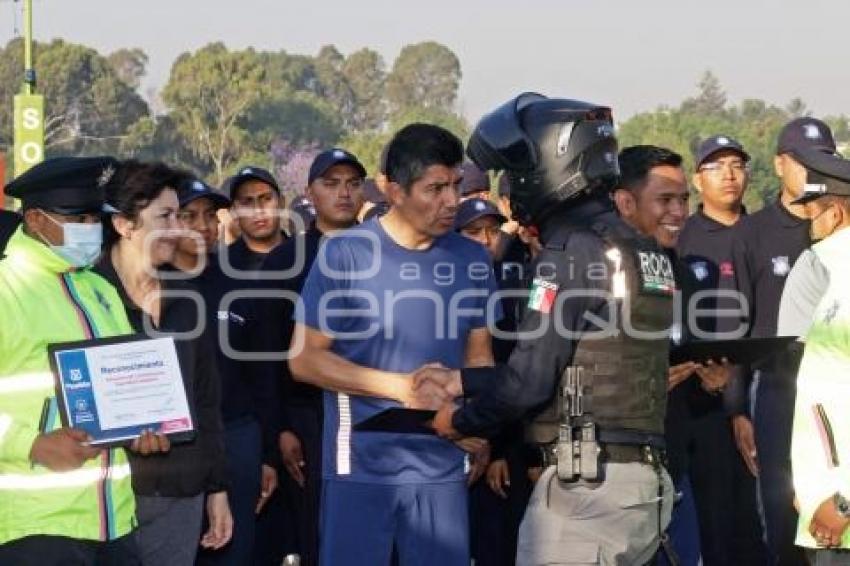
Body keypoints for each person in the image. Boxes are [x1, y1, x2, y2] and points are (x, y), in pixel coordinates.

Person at [419, 93, 677, 565]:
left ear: (554, 164)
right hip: (640, 485)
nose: (512, 187)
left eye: (517, 171)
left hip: (589, 493)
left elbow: (529, 382)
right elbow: (581, 357)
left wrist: (457, 422)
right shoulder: (639, 248)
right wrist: (462, 380)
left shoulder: (569, 251)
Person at [288, 124, 496, 566]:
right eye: (435, 188)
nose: (450, 201)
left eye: (455, 186)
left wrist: (479, 425)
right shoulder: (344, 254)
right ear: (394, 190)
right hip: (360, 466)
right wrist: (399, 388)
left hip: (443, 466)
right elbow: (304, 361)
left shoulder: (474, 260)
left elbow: (479, 357)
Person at [0, 156, 157, 565]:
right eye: (79, 218)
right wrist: (31, 444)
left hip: (115, 523)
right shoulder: (4, 289)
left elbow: (125, 385)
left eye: (94, 219)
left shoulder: (98, 288)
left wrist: (146, 424)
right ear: (35, 220)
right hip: (33, 528)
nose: (91, 230)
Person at [97, 161, 232, 566]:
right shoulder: (87, 293)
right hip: (108, 493)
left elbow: (207, 401)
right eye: (165, 216)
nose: (178, 227)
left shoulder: (189, 298)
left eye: (180, 214)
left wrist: (217, 489)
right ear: (124, 224)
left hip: (182, 492)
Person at [724, 118, 838, 566]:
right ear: (779, 164)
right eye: (802, 161)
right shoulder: (751, 233)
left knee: (832, 502)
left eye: (823, 159)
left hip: (833, 388)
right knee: (779, 509)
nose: (812, 170)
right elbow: (737, 322)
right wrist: (737, 408)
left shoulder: (838, 227)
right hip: (776, 386)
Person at [260, 147, 367, 566]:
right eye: (331, 183)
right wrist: (281, 429)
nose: (343, 193)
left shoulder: (386, 253)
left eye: (353, 184)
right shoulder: (286, 260)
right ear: (310, 193)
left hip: (372, 412)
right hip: (308, 416)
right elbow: (265, 354)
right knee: (317, 530)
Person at [169, 178, 280, 566]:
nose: (204, 226)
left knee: (235, 550)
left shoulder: (240, 284)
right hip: (174, 446)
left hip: (237, 435)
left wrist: (266, 454)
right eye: (189, 216)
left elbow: (262, 375)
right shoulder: (149, 287)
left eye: (210, 216)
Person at [675, 134, 766, 564]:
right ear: (698, 179)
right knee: (716, 524)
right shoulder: (683, 239)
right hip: (704, 398)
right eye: (716, 166)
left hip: (761, 390)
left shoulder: (764, 232)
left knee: (761, 520)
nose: (729, 176)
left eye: (736, 164)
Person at [785, 149, 850, 564]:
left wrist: (843, 500)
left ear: (838, 215)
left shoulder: (829, 267)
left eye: (814, 216)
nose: (809, 229)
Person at [223, 166, 286, 272]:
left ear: (282, 202)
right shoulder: (221, 268)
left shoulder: (307, 256)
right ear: (233, 211)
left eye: (266, 198)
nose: (258, 209)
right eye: (246, 202)